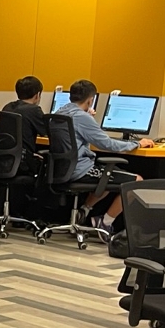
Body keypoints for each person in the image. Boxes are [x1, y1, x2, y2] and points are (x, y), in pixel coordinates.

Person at [54, 80, 150, 235]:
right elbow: (107, 144)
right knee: (137, 182)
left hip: (61, 169)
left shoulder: (59, 113)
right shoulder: (82, 117)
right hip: (79, 170)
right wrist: (137, 144)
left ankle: (84, 211)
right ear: (90, 100)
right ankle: (105, 222)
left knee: (107, 173)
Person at [2, 75, 48, 158]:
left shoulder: (7, 107)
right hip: (23, 159)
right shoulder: (34, 110)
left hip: (4, 158)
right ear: (37, 95)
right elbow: (47, 132)